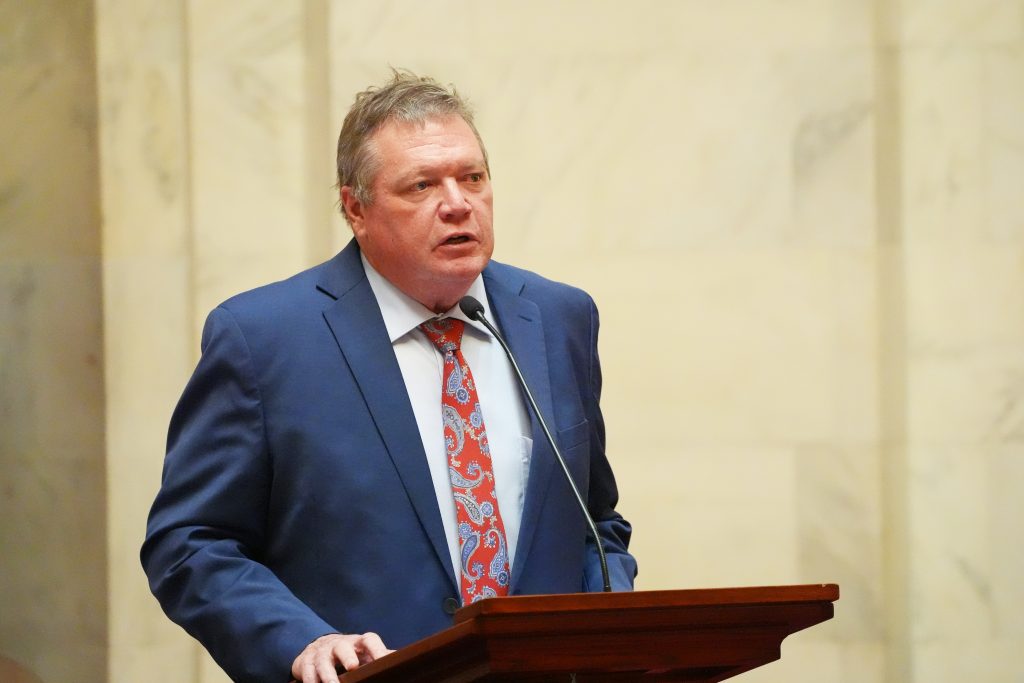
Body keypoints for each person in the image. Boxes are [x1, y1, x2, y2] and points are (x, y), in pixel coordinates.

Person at [142, 70, 637, 683]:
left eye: (472, 177)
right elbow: (191, 541)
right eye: (422, 185)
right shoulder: (265, 339)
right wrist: (300, 641)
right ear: (356, 208)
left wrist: (607, 622)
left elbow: (595, 522)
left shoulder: (558, 318)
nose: (457, 203)